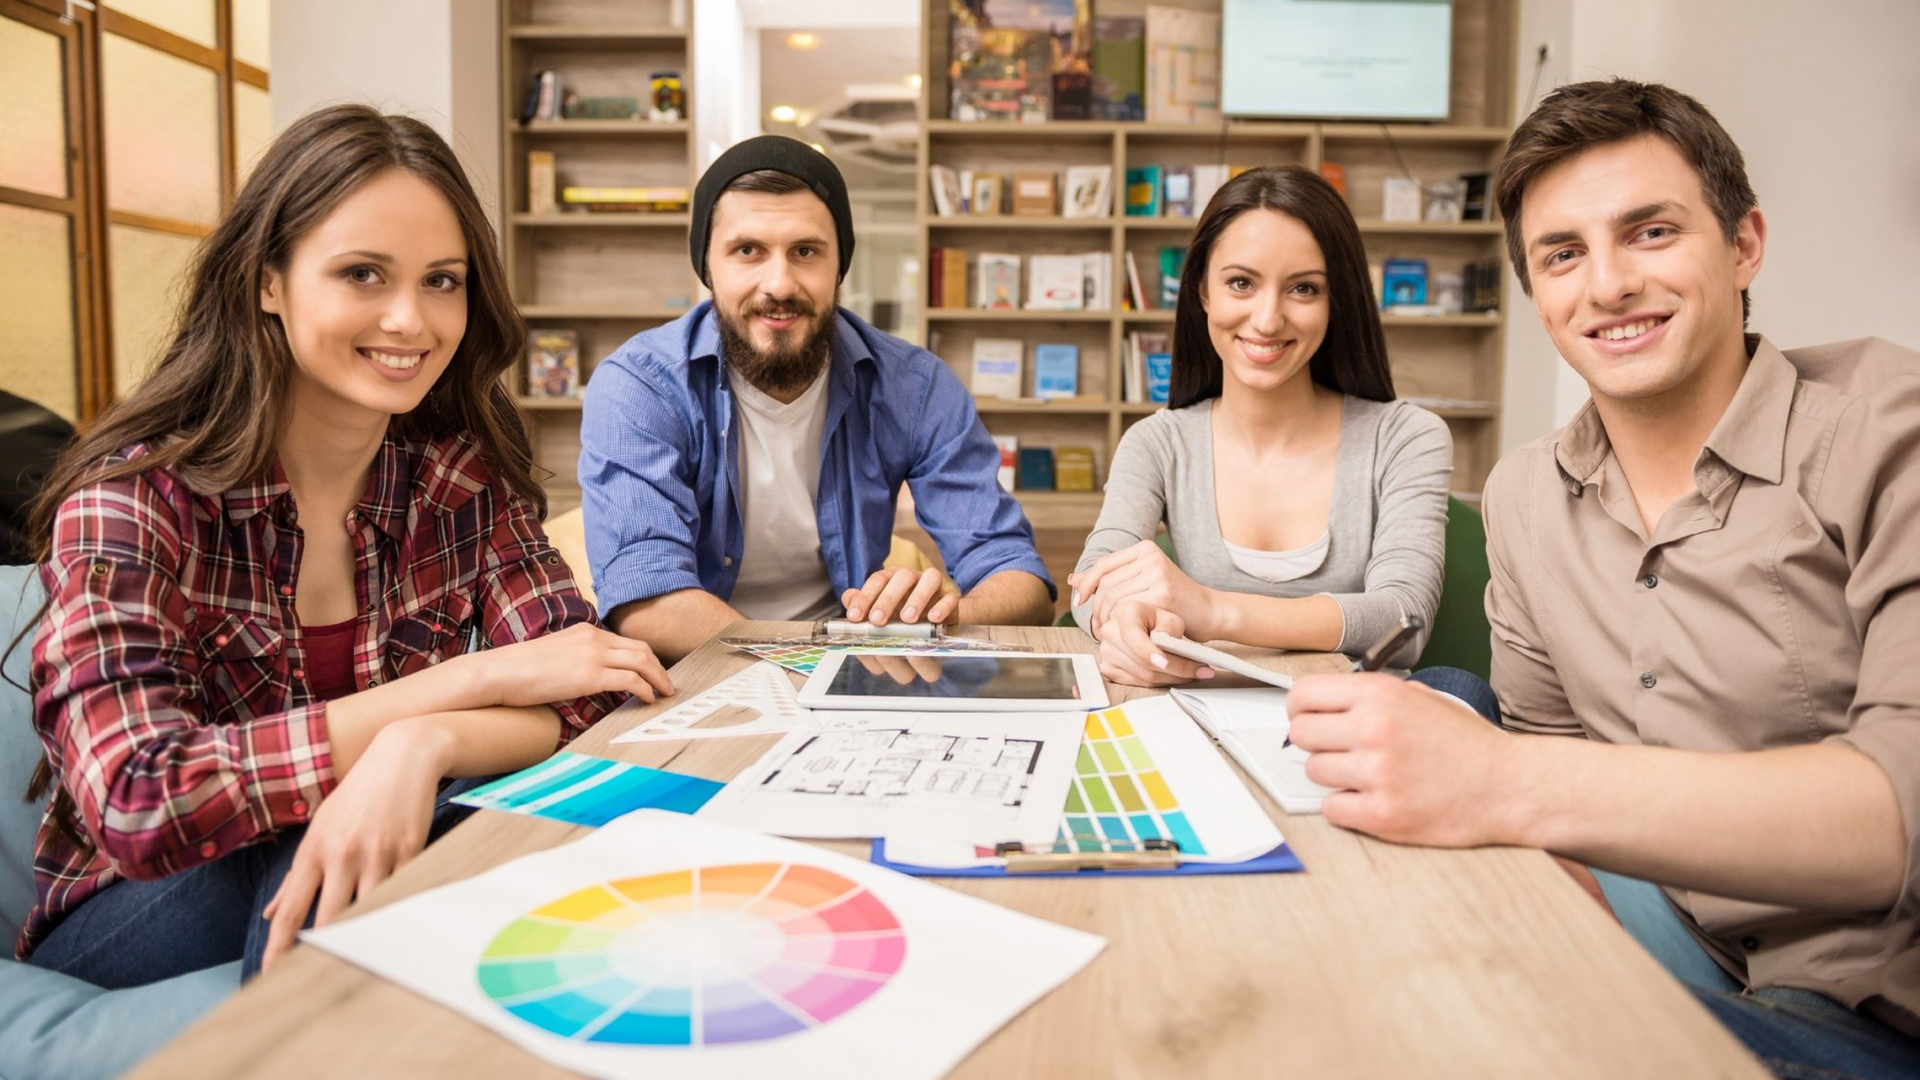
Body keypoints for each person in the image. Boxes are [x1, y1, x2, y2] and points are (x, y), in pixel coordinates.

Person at [1285, 79, 1920, 1077]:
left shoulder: (1887, 431)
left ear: (1744, 243)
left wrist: (1497, 786)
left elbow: (1899, 822)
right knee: (1445, 707)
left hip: (1859, 997)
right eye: (1564, 254)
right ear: (1537, 292)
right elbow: (1546, 753)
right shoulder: (1527, 494)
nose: (1609, 283)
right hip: (1660, 921)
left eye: (1652, 232)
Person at [16, 105, 671, 985]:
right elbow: (142, 799)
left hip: (372, 833)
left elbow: (589, 687)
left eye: (443, 280)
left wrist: (422, 746)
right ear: (267, 281)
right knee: (340, 842)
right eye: (363, 273)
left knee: (513, 843)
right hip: (136, 907)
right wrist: (467, 683)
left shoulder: (454, 477)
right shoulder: (131, 501)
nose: (411, 319)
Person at [580, 136, 1054, 663]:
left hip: (857, 668)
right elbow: (648, 601)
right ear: (708, 268)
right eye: (747, 251)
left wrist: (948, 616)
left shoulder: (915, 386)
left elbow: (1017, 575)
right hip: (692, 671)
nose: (778, 284)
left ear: (839, 266)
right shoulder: (640, 385)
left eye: (805, 252)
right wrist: (812, 662)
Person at [1067, 165, 1453, 689]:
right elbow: (1092, 586)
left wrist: (1213, 610)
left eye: (1303, 289)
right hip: (1195, 717)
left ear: (1336, 300)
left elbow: (1403, 620)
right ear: (1203, 292)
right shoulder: (1158, 442)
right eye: (1241, 283)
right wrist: (1120, 630)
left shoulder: (1406, 437)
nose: (1268, 319)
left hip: (1348, 725)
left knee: (1460, 689)